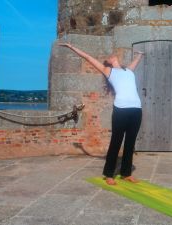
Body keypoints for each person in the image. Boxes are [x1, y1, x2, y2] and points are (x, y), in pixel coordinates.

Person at [59, 42, 144, 185]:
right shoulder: (108, 71)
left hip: (136, 110)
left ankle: (126, 173)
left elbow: (137, 59)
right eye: (109, 58)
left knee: (130, 143)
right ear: (109, 63)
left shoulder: (129, 71)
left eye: (112, 55)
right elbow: (88, 58)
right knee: (116, 142)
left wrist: (141, 54)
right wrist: (72, 47)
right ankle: (109, 174)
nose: (111, 56)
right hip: (121, 110)